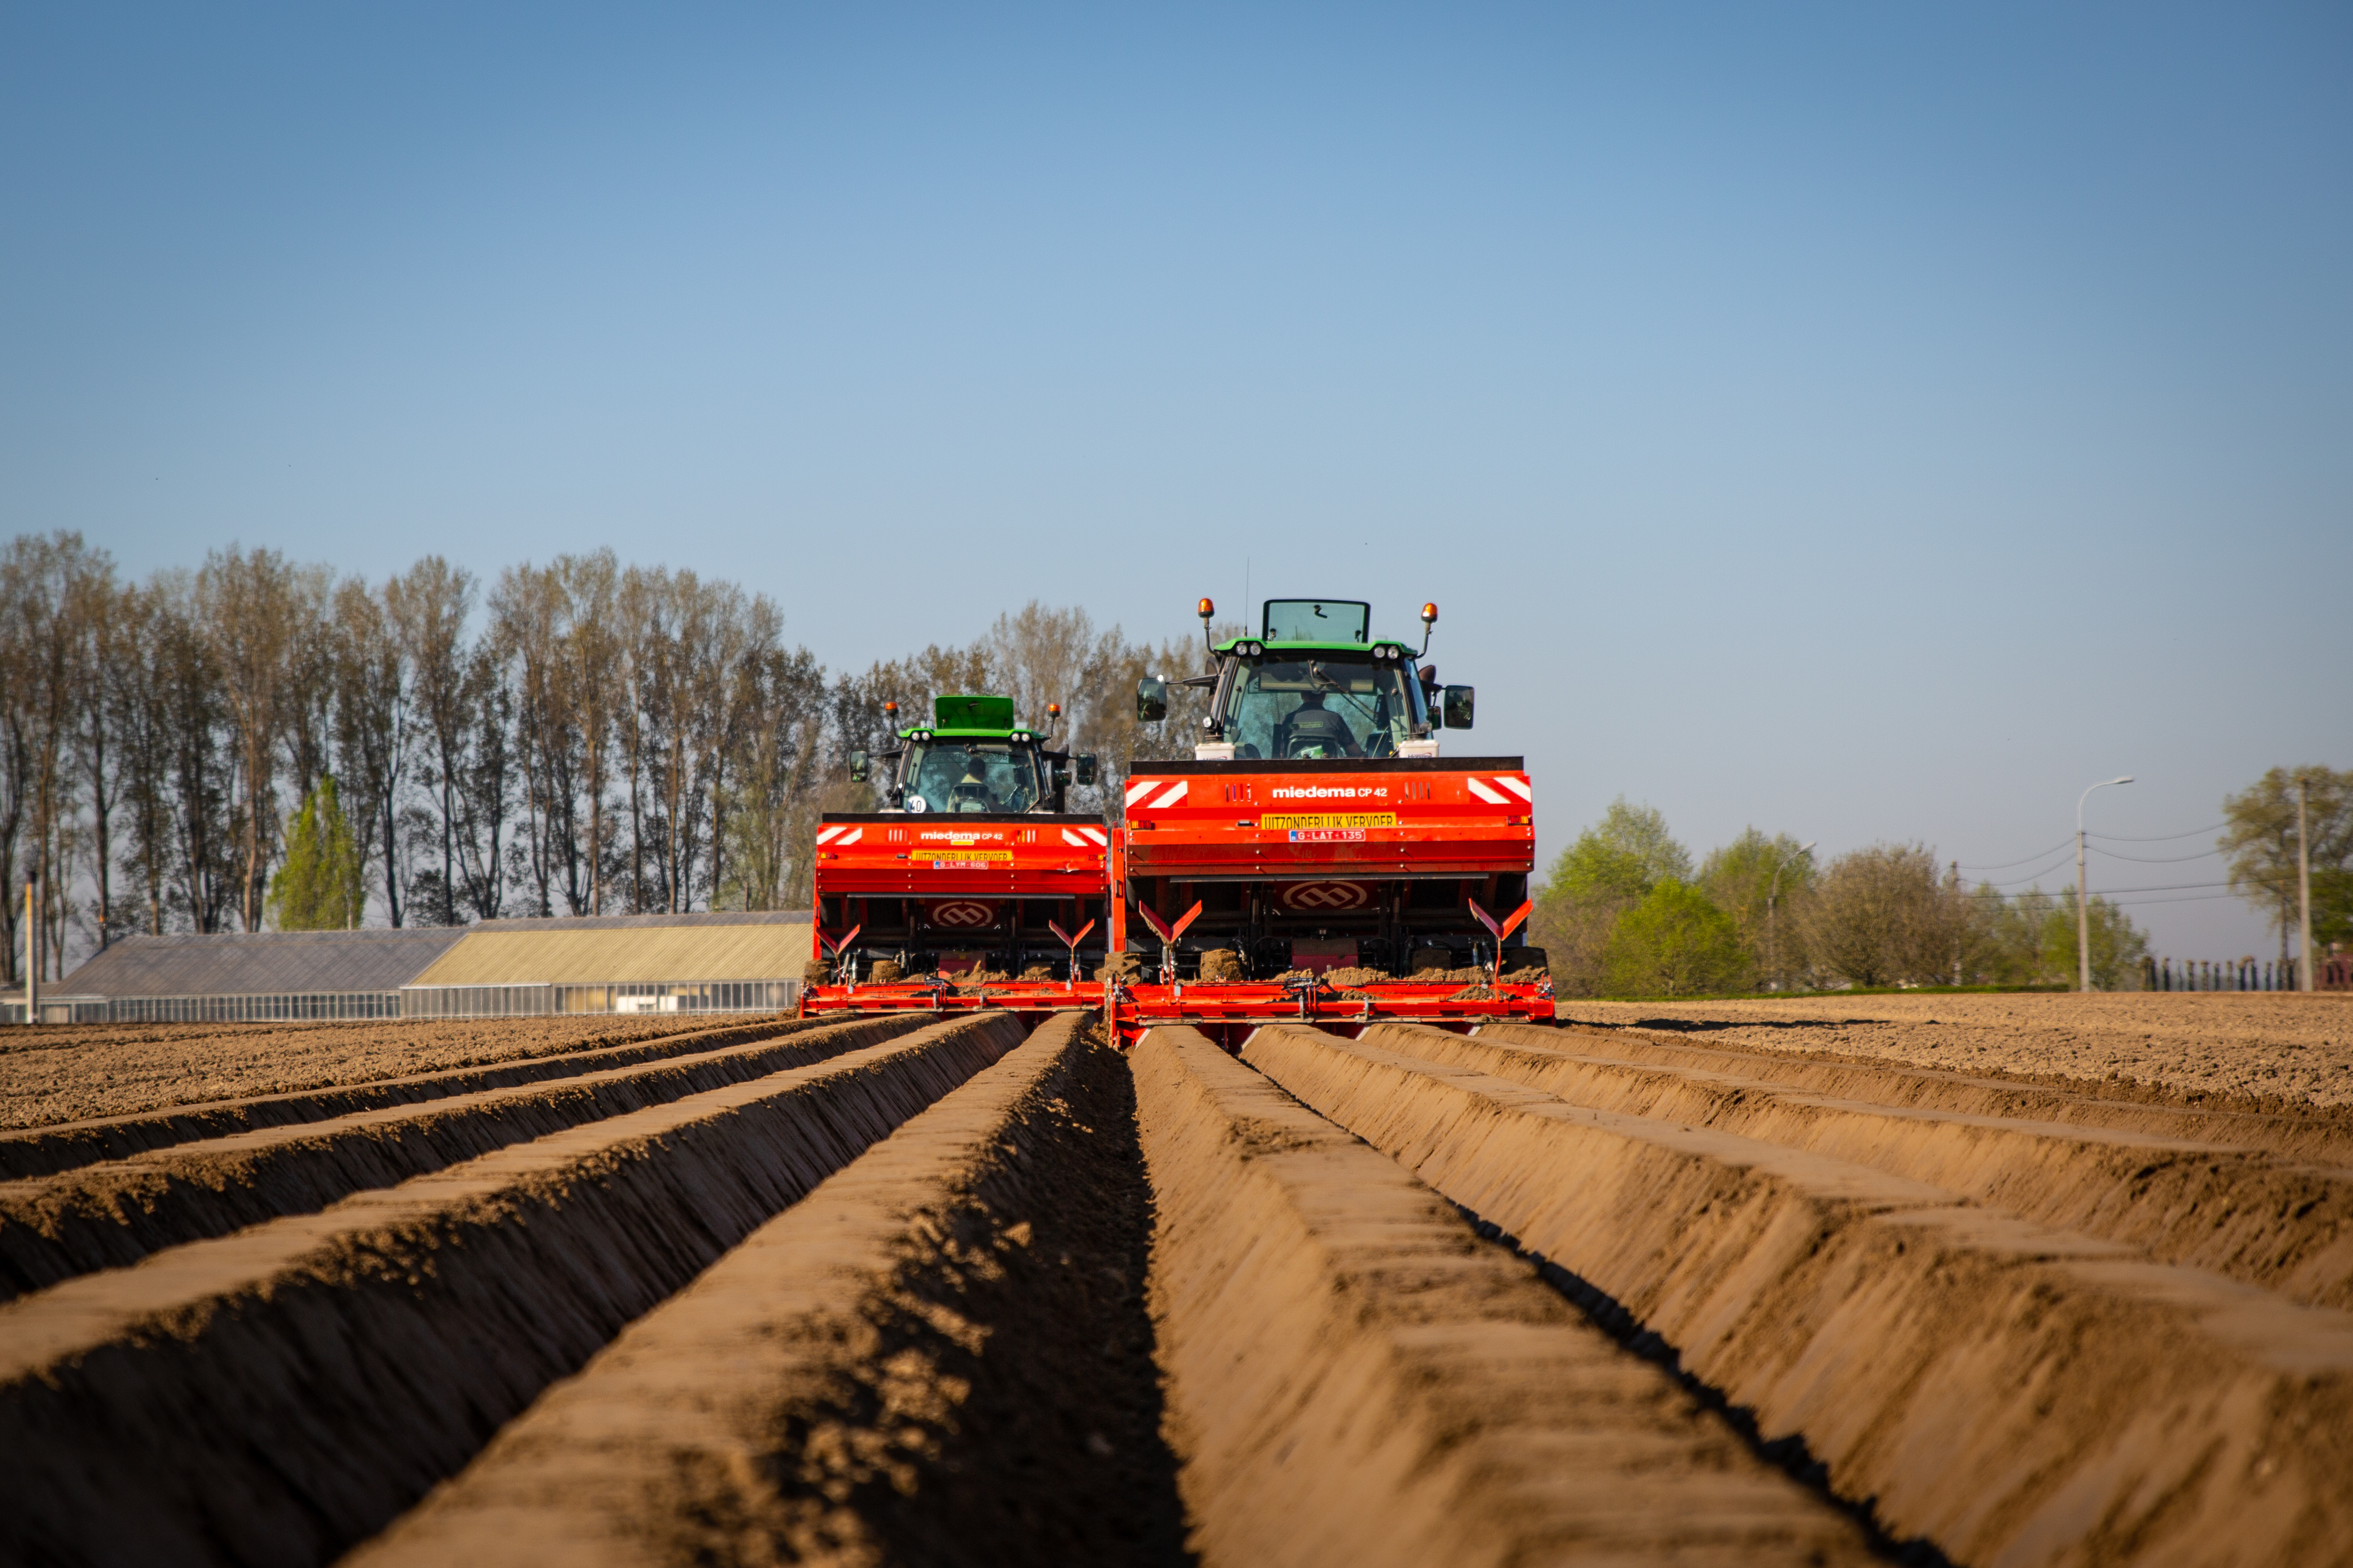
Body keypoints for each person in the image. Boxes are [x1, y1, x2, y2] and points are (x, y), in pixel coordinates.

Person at [1275, 690, 1361, 758]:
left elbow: (1280, 754)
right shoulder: (1335, 719)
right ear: (1324, 696)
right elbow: (1354, 751)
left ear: (1302, 695)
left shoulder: (1288, 721)